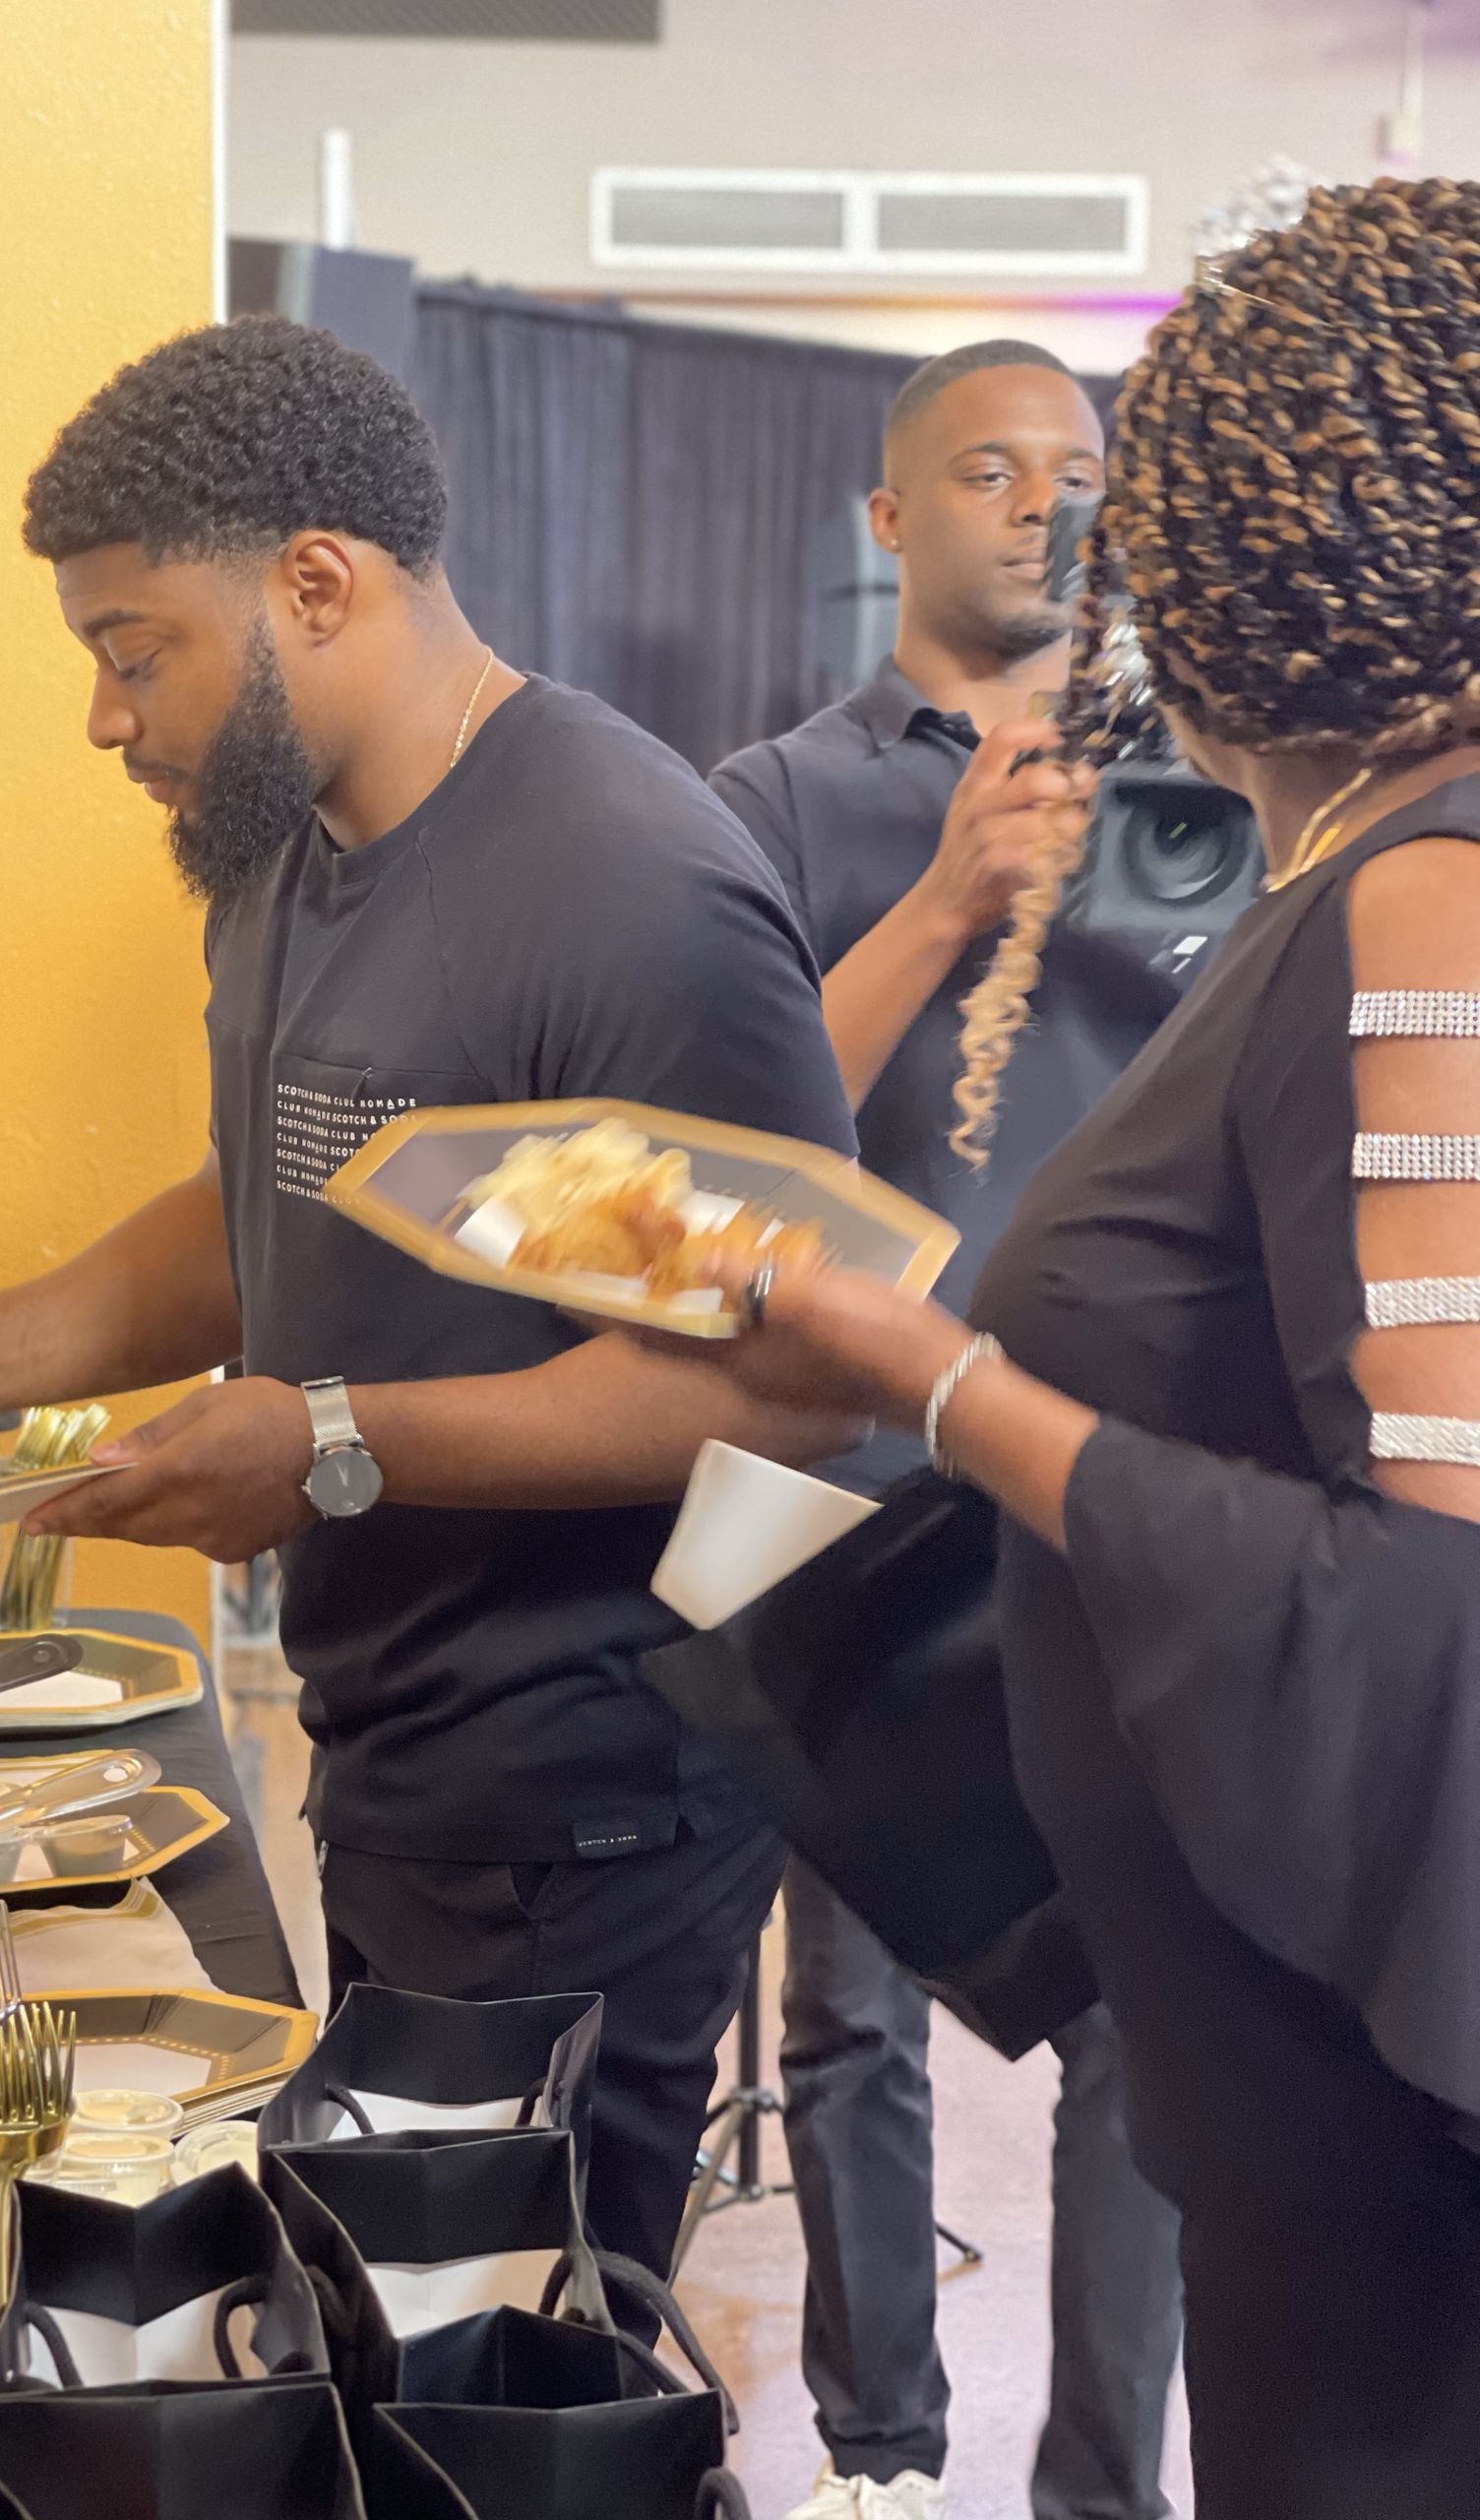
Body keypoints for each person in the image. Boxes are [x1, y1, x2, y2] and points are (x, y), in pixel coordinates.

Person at [0, 315, 866, 2300]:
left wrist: (331, 1436)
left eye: (131, 644)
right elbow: (266, 1196)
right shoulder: (282, 852)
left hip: (587, 1790)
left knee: (526, 2366)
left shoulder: (626, 878)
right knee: (397, 2326)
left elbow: (779, 1389)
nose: (106, 713)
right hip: (402, 1744)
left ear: (315, 582)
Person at [686, 176, 1480, 2515]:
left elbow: (1434, 1601)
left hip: (1375, 2145)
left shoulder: (1425, 888)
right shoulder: (1373, 860)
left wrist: (938, 1377)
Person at [710, 344, 1183, 2520]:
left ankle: (1100, 2485)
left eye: (1073, 472)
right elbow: (720, 1145)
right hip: (832, 1469)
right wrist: (944, 901)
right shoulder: (777, 800)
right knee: (846, 2003)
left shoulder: (1208, 788)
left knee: (1130, 2015)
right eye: (984, 471)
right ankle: (881, 2460)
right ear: (887, 517)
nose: (1037, 505)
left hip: (1099, 1464)